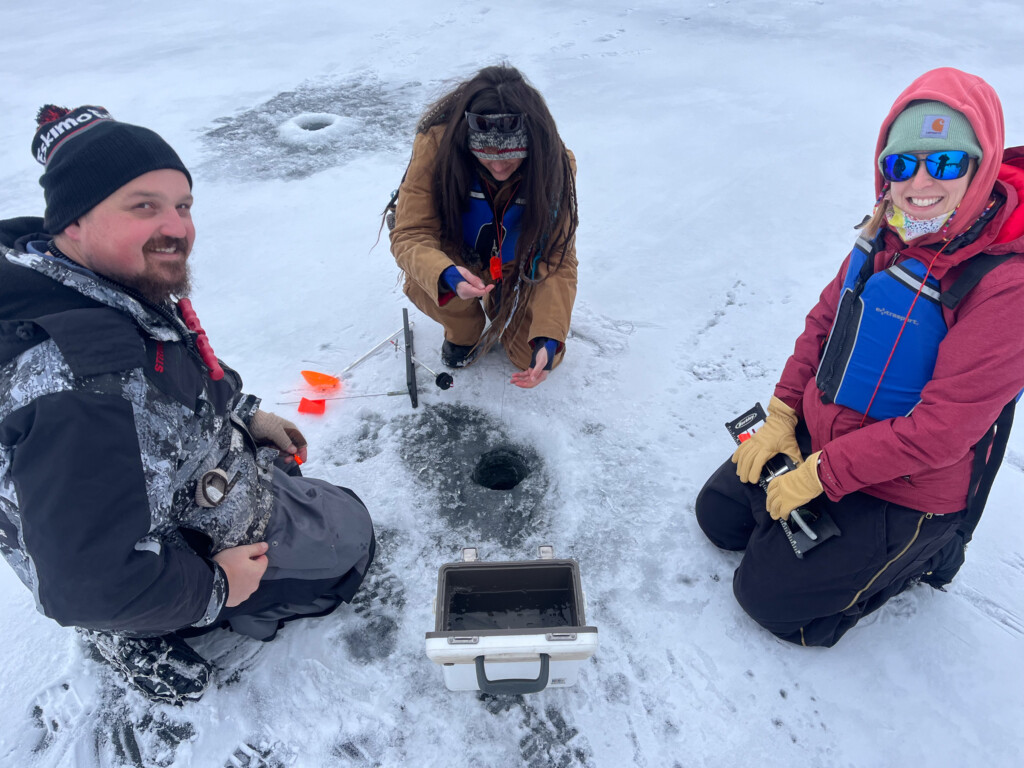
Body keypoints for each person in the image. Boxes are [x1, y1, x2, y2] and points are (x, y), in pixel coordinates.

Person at [0, 105, 375, 704]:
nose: (177, 227)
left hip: (166, 489)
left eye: (183, 205)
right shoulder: (84, 387)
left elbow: (179, 367)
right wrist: (219, 586)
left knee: (314, 496)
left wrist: (246, 413)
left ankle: (154, 604)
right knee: (349, 550)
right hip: (134, 557)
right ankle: (140, 625)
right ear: (73, 221)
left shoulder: (94, 283)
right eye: (143, 205)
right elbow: (85, 581)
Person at [695, 68, 1024, 647]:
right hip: (826, 439)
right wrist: (781, 417)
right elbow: (824, 324)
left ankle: (929, 548)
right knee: (719, 517)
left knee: (769, 600)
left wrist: (823, 474)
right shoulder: (887, 228)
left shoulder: (1006, 284)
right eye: (903, 164)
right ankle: (825, 535)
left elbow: (941, 433)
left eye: (944, 163)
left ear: (981, 166)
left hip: (907, 485)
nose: (920, 181)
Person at [388, 64, 579, 389]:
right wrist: (447, 275)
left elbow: (558, 257)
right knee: (453, 317)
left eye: (512, 155)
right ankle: (464, 324)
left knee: (531, 353)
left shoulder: (556, 164)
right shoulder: (435, 148)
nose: (500, 165)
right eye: (487, 154)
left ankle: (508, 306)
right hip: (456, 257)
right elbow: (410, 234)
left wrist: (548, 340)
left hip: (518, 268)